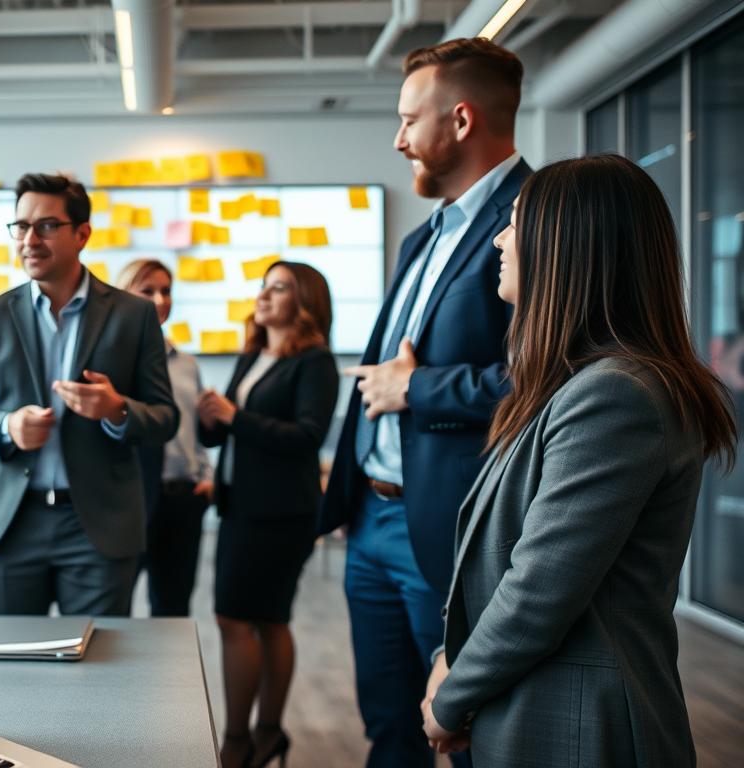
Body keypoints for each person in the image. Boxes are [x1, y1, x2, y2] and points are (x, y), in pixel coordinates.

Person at [421, 155, 736, 766]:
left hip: (579, 728)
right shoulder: (571, 384)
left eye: (516, 222)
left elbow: (538, 592)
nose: (499, 239)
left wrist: (449, 699)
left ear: (569, 245)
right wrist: (451, 660)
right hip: (532, 705)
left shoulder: (615, 394)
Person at [319, 37, 530, 768]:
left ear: (462, 121)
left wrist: (415, 387)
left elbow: (547, 377)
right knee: (390, 727)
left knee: (470, 733)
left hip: (453, 527)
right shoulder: (423, 235)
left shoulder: (533, 220)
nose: (398, 137)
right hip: (373, 522)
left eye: (410, 118)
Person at [0, 172, 178, 617]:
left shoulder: (134, 316)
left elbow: (165, 418)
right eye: (21, 227)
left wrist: (117, 409)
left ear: (83, 234)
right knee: (14, 676)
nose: (30, 239)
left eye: (47, 226)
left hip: (97, 525)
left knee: (99, 673)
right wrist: (6, 426)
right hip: (10, 522)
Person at [199, 262, 340, 768]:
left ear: (304, 303)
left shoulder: (315, 362)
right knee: (262, 620)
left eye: (278, 287)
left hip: (281, 513)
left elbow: (307, 437)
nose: (263, 295)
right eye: (261, 285)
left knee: (242, 618)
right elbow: (225, 434)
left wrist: (236, 417)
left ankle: (242, 741)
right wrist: (211, 418)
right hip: (241, 505)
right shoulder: (254, 355)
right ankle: (266, 735)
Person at [116, 259, 213, 617]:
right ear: (126, 296)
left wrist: (205, 476)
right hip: (130, 500)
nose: (160, 300)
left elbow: (193, 432)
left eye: (166, 291)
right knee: (115, 610)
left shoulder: (186, 363)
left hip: (181, 501)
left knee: (173, 613)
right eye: (148, 290)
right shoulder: (111, 362)